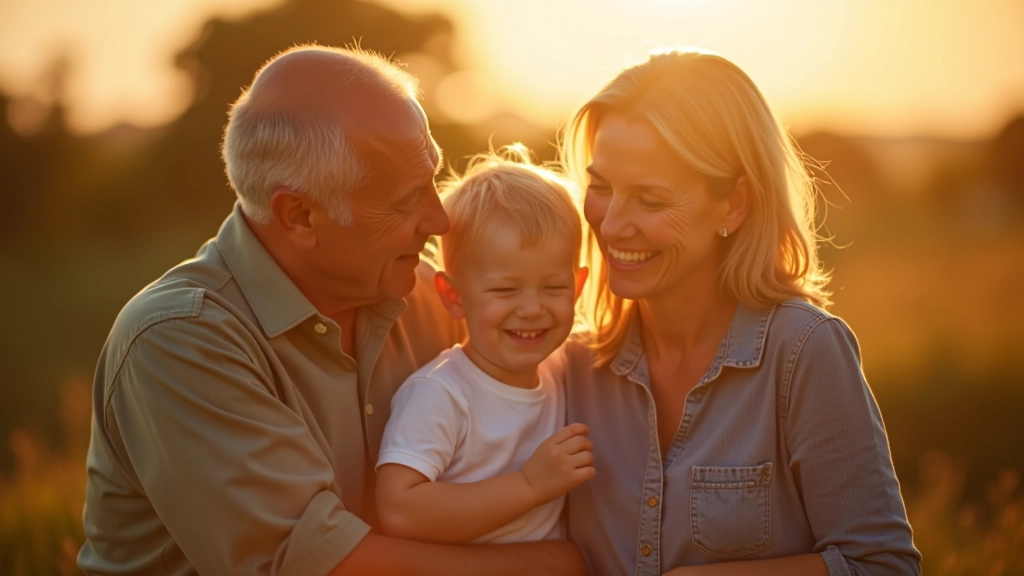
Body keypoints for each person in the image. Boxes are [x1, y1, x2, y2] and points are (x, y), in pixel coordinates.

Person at [78, 45, 587, 576]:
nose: (438, 220)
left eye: (433, 183)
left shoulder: (420, 290)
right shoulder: (179, 341)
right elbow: (311, 565)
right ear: (299, 215)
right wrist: (561, 563)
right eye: (405, 199)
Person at [558, 49, 922, 575]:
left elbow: (883, 566)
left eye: (650, 200)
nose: (611, 225)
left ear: (733, 204)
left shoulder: (804, 353)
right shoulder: (566, 366)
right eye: (601, 187)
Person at [375, 148, 594, 545]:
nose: (532, 309)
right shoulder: (441, 393)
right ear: (453, 295)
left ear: (577, 287)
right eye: (505, 290)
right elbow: (398, 510)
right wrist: (529, 485)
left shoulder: (560, 371)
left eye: (554, 287)